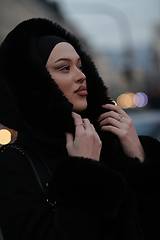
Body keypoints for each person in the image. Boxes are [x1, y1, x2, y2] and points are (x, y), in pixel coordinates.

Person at [0, 18, 159, 240]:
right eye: (64, 68)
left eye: (80, 66)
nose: (81, 75)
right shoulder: (15, 162)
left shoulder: (111, 142)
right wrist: (85, 171)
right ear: (35, 82)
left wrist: (139, 157)